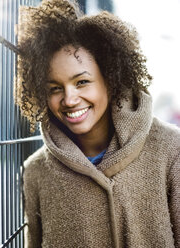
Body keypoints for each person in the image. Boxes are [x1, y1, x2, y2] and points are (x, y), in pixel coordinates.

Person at [15, 0, 180, 247]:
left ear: (111, 79)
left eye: (82, 82)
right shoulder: (35, 172)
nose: (69, 99)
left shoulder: (170, 149)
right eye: (55, 88)